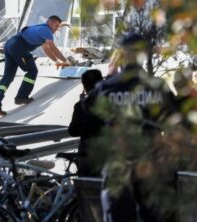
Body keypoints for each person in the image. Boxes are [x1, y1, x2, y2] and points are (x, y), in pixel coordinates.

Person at [93, 32, 178, 222]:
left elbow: (89, 119)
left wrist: (109, 75)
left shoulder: (106, 88)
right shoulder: (157, 86)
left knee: (118, 216)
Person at [0, 15, 70, 116]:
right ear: (50, 22)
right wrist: (66, 61)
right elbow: (53, 48)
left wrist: (57, 61)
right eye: (56, 26)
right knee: (32, 71)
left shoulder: (41, 28)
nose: (57, 29)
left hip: (9, 45)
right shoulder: (46, 31)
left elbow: (46, 49)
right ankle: (21, 97)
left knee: (7, 77)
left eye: (58, 27)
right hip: (18, 47)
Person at [68, 69, 104, 176]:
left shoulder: (80, 106)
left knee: (87, 190)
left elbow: (73, 131)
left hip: (87, 157)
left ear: (85, 87)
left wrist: (81, 103)